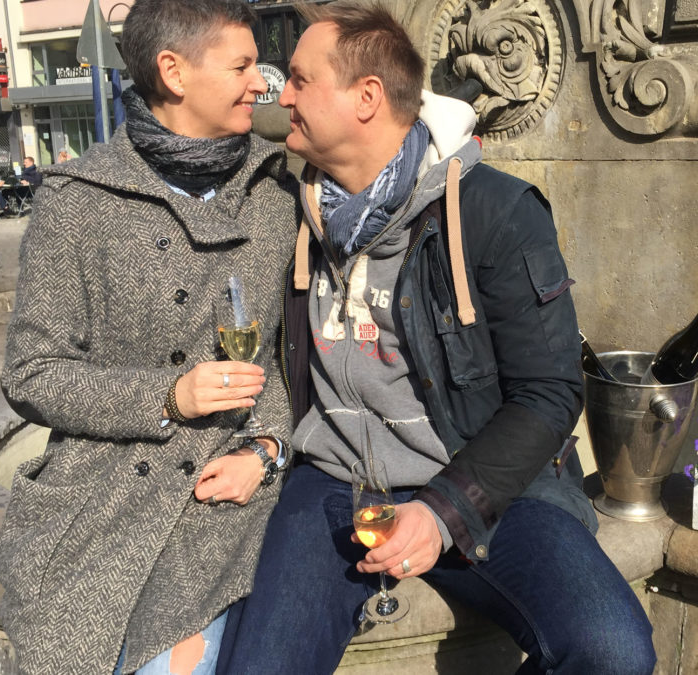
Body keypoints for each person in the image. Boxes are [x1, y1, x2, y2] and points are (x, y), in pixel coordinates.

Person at [216, 3, 657, 673]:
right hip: (333, 481)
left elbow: (549, 390)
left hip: (480, 477)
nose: (285, 94)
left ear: (366, 98)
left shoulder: (496, 212)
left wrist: (444, 510)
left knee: (613, 650)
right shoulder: (283, 209)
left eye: (302, 80)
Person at [0, 0, 296, 673]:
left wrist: (270, 449)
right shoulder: (77, 197)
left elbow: (297, 361)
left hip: (227, 489)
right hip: (103, 489)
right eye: (243, 65)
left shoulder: (278, 194)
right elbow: (31, 372)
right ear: (175, 72)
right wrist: (168, 396)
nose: (262, 81)